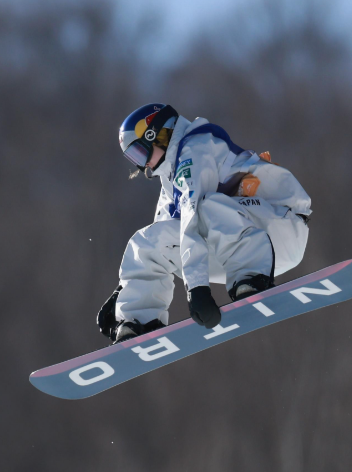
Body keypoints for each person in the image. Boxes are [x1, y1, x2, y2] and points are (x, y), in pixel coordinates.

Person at [97, 103, 312, 343]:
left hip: (281, 226)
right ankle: (138, 321)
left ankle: (251, 278)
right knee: (147, 241)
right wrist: (122, 297)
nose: (141, 165)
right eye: (132, 158)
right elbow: (162, 235)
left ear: (155, 135)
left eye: (138, 153)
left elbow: (192, 213)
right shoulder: (170, 177)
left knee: (205, 206)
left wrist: (198, 288)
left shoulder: (197, 146)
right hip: (236, 244)